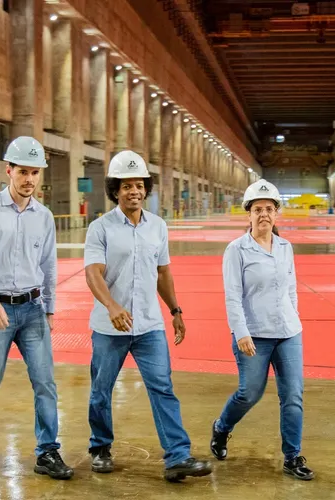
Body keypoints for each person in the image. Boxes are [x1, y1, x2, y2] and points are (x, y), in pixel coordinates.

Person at [83, 150, 212, 482]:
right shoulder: (101, 228)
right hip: (110, 328)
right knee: (101, 389)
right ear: (115, 190)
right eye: (126, 186)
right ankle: (100, 447)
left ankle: (177, 457)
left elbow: (163, 273)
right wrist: (111, 306)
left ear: (146, 188)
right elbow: (93, 273)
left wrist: (176, 310)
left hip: (149, 326)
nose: (134, 192)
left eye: (139, 185)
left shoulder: (157, 227)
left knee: (163, 387)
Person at [0, 136, 72, 480]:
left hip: (33, 309)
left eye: (35, 173)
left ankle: (47, 451)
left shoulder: (44, 216)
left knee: (45, 382)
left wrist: (49, 307)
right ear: (8, 171)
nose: (29, 180)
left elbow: (49, 264)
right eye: (23, 171)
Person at [209, 179, 313, 481]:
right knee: (249, 393)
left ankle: (292, 456)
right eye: (258, 209)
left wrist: (294, 314)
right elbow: (232, 295)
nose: (264, 214)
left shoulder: (285, 247)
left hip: (289, 332)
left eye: (269, 209)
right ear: (249, 215)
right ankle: (222, 428)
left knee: (293, 395)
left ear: (277, 214)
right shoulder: (236, 250)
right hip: (253, 335)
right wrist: (240, 332)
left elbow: (291, 287)